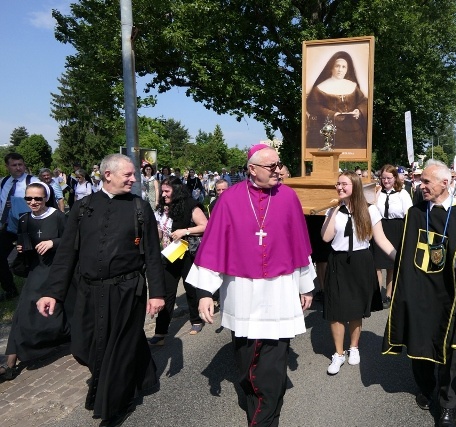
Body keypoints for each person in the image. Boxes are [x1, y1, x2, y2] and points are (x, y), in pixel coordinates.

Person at [186, 144, 315, 426]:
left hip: (279, 291)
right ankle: (256, 404)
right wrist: (205, 294)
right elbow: (214, 246)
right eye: (272, 166)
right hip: (242, 292)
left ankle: (264, 418)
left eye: (279, 165)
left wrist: (306, 285)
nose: (278, 170)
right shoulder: (230, 200)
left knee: (272, 369)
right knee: (246, 365)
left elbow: (300, 245)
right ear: (253, 169)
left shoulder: (289, 197)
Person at [36, 154, 165, 426]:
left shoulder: (139, 207)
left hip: (128, 290)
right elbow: (66, 256)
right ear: (108, 175)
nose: (134, 179)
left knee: (117, 348)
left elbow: (153, 254)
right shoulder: (82, 208)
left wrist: (157, 293)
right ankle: (143, 375)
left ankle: (116, 404)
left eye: (134, 175)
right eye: (128, 175)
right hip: (88, 291)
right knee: (84, 347)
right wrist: (52, 292)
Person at [383, 159, 456, 427]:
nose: (421, 185)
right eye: (420, 181)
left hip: (452, 296)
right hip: (420, 293)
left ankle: (447, 405)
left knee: (452, 353)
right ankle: (427, 387)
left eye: (426, 181)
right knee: (418, 346)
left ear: (445, 183)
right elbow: (406, 255)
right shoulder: (415, 214)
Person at [322, 171, 397, 375]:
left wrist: (399, 259)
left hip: (361, 260)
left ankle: (353, 347)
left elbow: (381, 240)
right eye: (337, 184)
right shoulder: (333, 210)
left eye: (344, 184)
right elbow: (326, 238)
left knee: (355, 309)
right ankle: (338, 354)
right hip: (338, 261)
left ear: (354, 186)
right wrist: (334, 211)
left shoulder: (370, 210)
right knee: (335, 310)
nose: (339, 187)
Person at [0, 183, 68, 382]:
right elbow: (24, 243)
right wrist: (22, 248)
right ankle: (10, 363)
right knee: (21, 312)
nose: (33, 202)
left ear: (45, 198)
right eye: (29, 199)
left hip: (56, 270)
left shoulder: (58, 217)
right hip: (36, 270)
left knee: (64, 312)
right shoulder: (24, 219)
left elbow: (73, 240)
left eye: (38, 198)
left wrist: (53, 242)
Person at [148, 176, 208, 345]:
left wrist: (185, 231)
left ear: (177, 191)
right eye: (163, 191)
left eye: (167, 191)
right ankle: (160, 332)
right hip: (169, 255)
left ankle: (196, 320)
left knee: (190, 289)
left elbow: (205, 225)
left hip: (187, 253)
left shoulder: (190, 205)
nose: (164, 194)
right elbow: (160, 231)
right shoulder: (161, 209)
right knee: (167, 293)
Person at [0, 153, 41, 302]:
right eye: (14, 165)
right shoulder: (4, 182)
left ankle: (37, 291)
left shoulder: (32, 181)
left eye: (20, 164)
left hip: (28, 226)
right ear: (7, 167)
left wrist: (21, 202)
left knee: (32, 258)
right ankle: (10, 289)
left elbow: (44, 200)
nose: (18, 168)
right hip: (9, 227)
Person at [306, 51, 368, 149]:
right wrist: (332, 114)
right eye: (337, 66)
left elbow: (364, 102)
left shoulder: (353, 86)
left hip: (354, 133)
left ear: (347, 69)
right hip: (332, 134)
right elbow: (313, 106)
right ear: (331, 68)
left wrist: (359, 111)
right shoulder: (320, 88)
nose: (340, 70)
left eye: (344, 67)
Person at [372, 165, 412, 308]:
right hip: (379, 227)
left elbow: (409, 214)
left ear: (395, 178)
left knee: (391, 265)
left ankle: (388, 295)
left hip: (397, 228)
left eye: (389, 178)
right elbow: (372, 207)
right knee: (376, 264)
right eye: (383, 178)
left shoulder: (403, 193)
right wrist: (376, 193)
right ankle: (376, 293)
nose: (386, 181)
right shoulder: (378, 192)